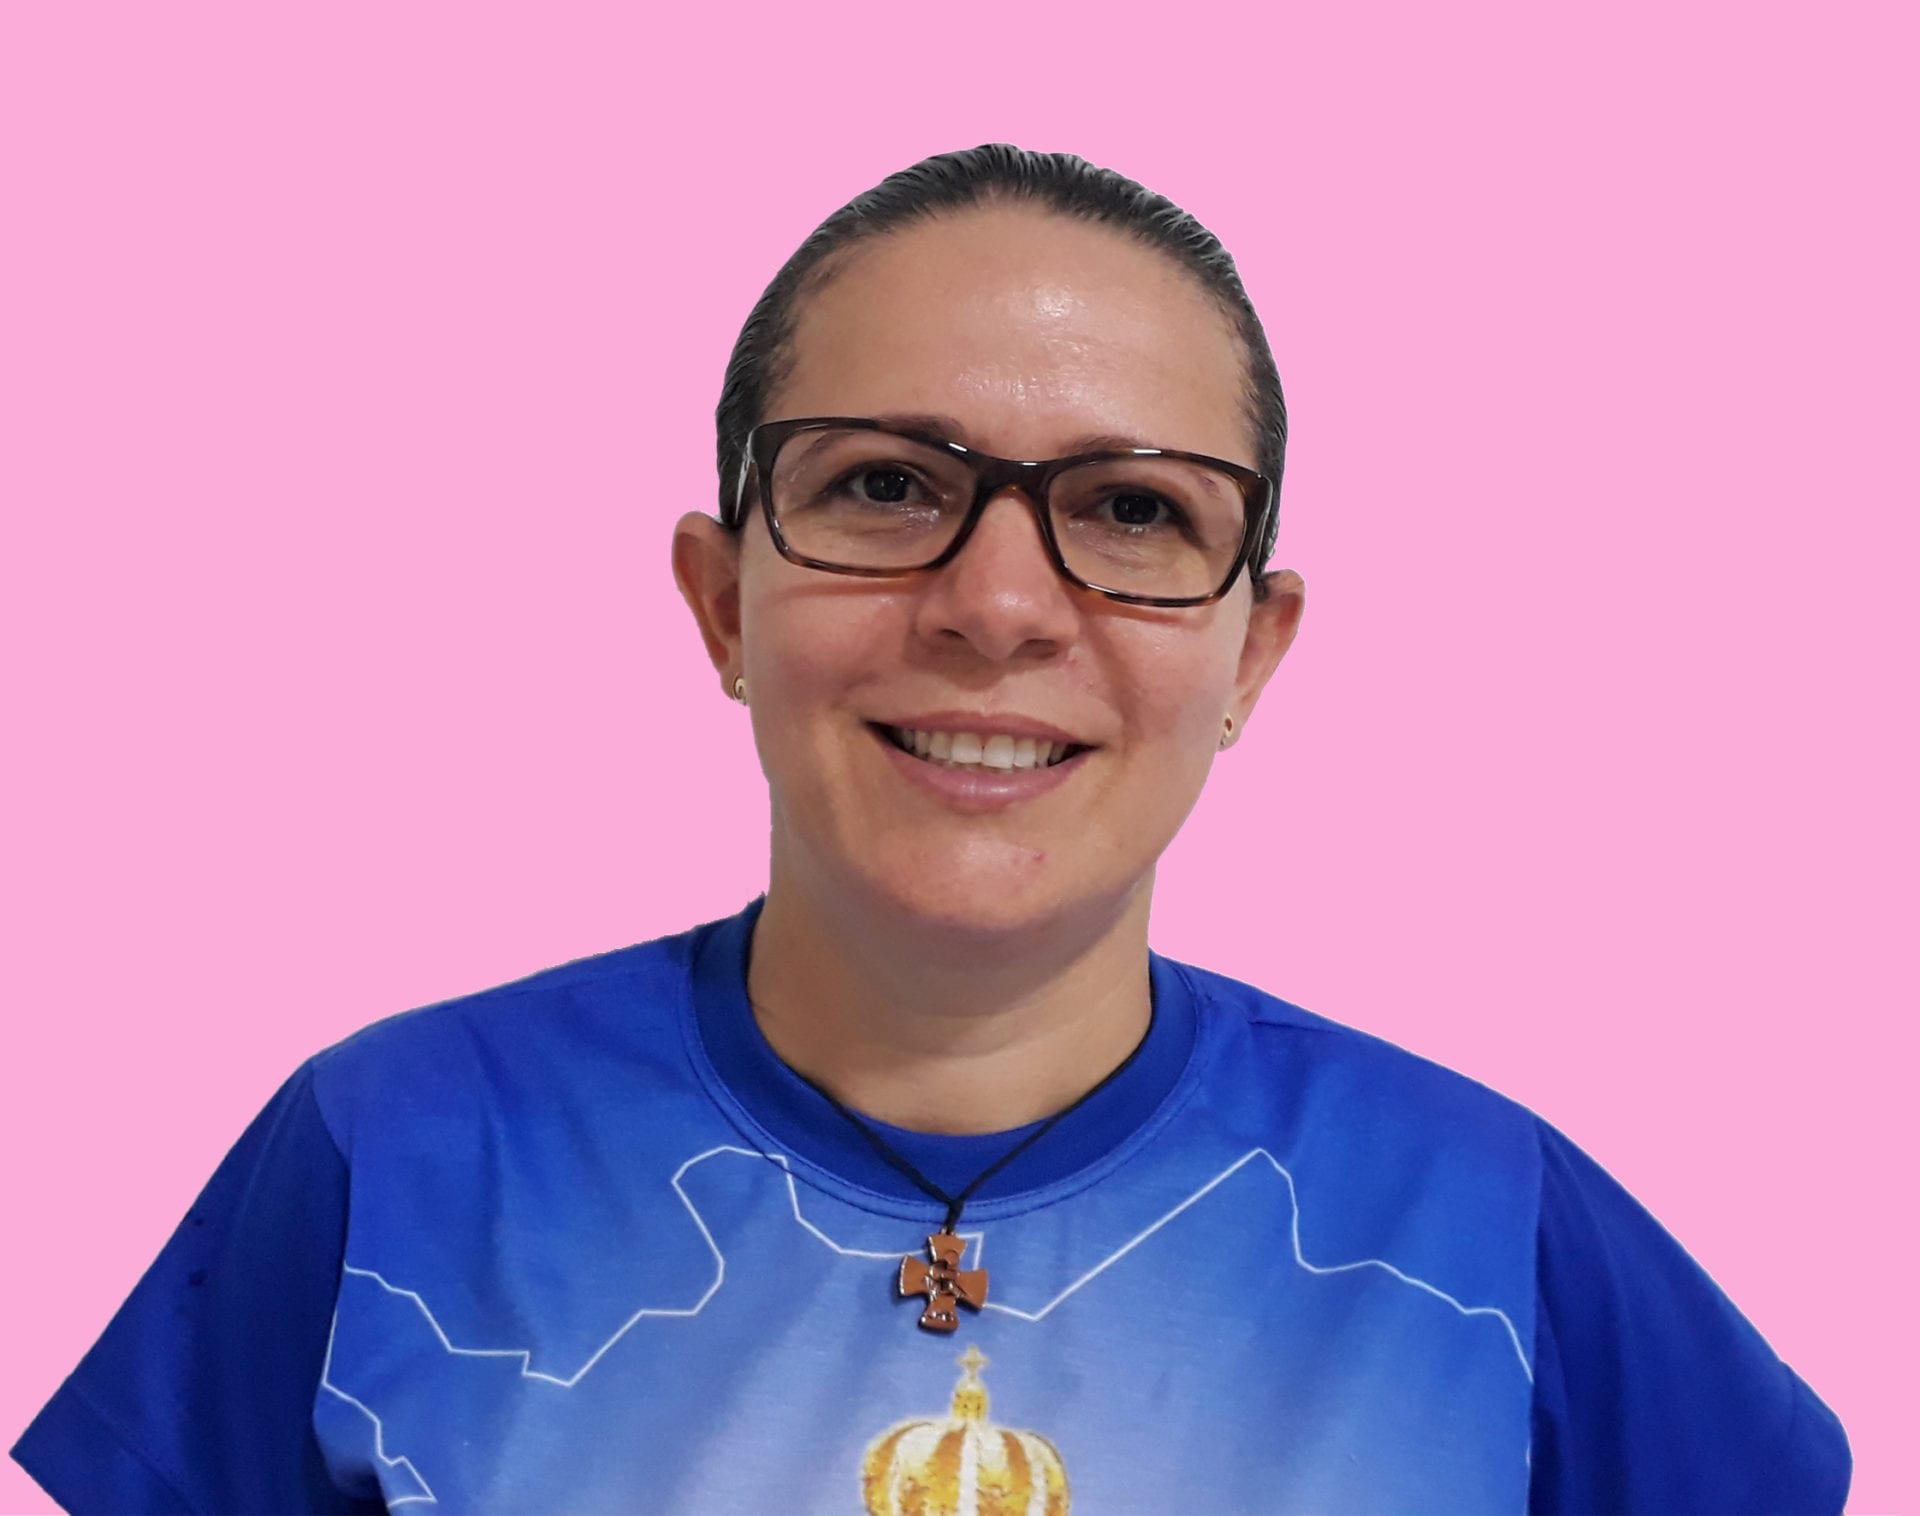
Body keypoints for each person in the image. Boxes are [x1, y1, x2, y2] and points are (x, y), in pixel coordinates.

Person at [11, 144, 1850, 1516]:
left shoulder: (1489, 1226)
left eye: (1131, 509)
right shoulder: (388, 1160)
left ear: (1251, 651)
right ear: (723, 602)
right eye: (887, 485)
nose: (999, 606)